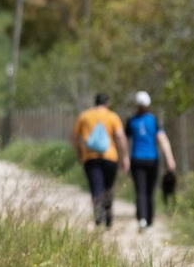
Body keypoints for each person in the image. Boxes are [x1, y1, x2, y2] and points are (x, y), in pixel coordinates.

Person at [72, 93, 127, 228]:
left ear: (95, 102)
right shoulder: (112, 116)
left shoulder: (84, 116)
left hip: (90, 157)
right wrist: (124, 156)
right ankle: (108, 217)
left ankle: (98, 218)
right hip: (110, 157)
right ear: (107, 103)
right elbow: (120, 136)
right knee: (108, 187)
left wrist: (79, 152)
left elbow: (74, 137)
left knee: (96, 188)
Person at [125, 91, 176, 230]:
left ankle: (141, 219)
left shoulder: (131, 121)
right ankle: (150, 221)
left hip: (137, 159)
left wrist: (124, 158)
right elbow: (163, 140)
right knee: (149, 191)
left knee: (140, 190)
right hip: (152, 160)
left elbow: (125, 140)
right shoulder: (153, 120)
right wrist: (170, 159)